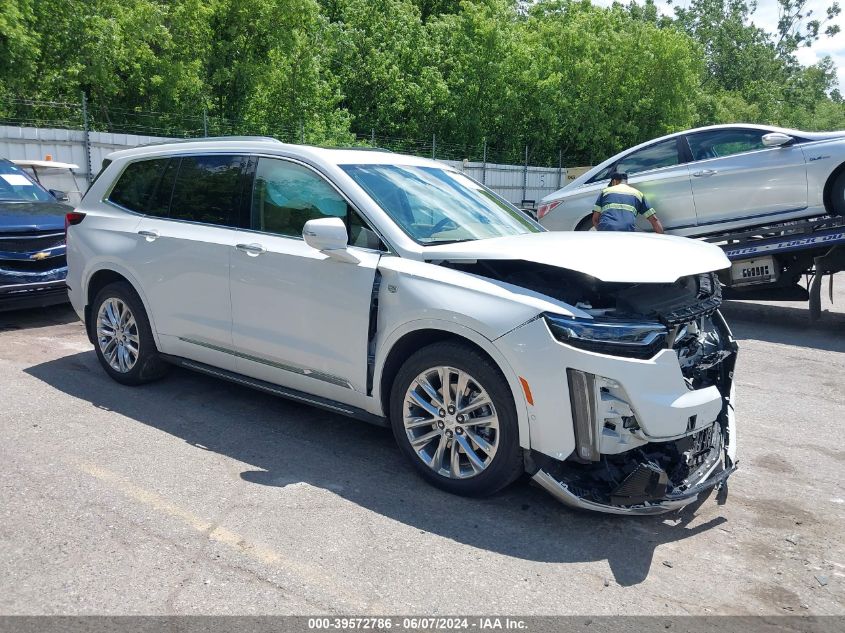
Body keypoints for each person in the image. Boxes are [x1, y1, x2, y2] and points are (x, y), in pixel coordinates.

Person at [592, 171, 664, 233]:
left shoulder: (606, 192)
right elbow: (654, 219)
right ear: (626, 182)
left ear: (614, 181)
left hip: (606, 229)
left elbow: (595, 219)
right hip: (627, 230)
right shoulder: (638, 194)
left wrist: (601, 232)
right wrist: (662, 238)